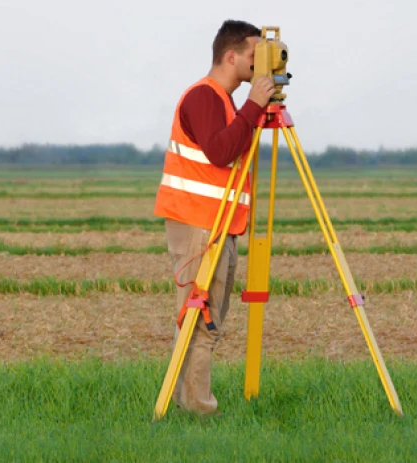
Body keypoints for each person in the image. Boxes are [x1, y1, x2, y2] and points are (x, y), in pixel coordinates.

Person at [153, 19, 276, 416]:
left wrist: (253, 110)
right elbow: (221, 152)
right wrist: (255, 105)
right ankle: (199, 412)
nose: (262, 66)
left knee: (205, 322)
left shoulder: (224, 102)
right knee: (200, 321)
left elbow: (230, 148)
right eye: (256, 57)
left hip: (214, 224)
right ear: (231, 56)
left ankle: (191, 406)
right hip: (198, 224)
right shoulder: (204, 98)